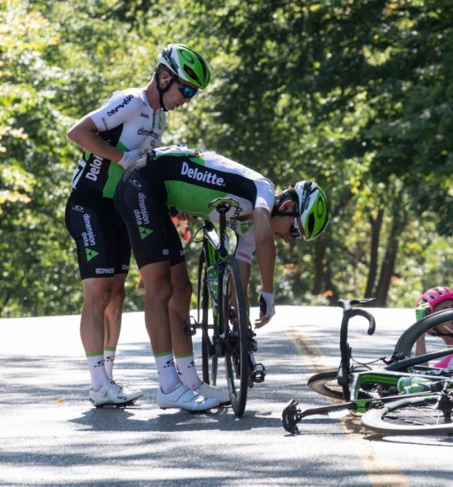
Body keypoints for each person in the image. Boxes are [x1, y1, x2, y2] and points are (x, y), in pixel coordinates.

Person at [114, 145, 330, 411]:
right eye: (295, 230)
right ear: (286, 206)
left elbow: (238, 283)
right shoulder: (261, 187)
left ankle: (191, 382)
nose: (288, 239)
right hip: (141, 184)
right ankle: (168, 385)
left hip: (156, 196)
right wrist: (269, 295)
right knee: (160, 287)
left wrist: (242, 341)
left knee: (182, 289)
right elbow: (265, 239)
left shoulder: (250, 224)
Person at [64, 44, 211, 408]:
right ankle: (97, 383)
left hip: (120, 210)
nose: (188, 99)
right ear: (164, 78)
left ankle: (107, 380)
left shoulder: (159, 119)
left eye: (194, 93)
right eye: (186, 89)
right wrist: (120, 156)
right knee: (98, 293)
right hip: (89, 204)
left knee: (117, 294)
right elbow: (78, 132)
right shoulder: (131, 101)